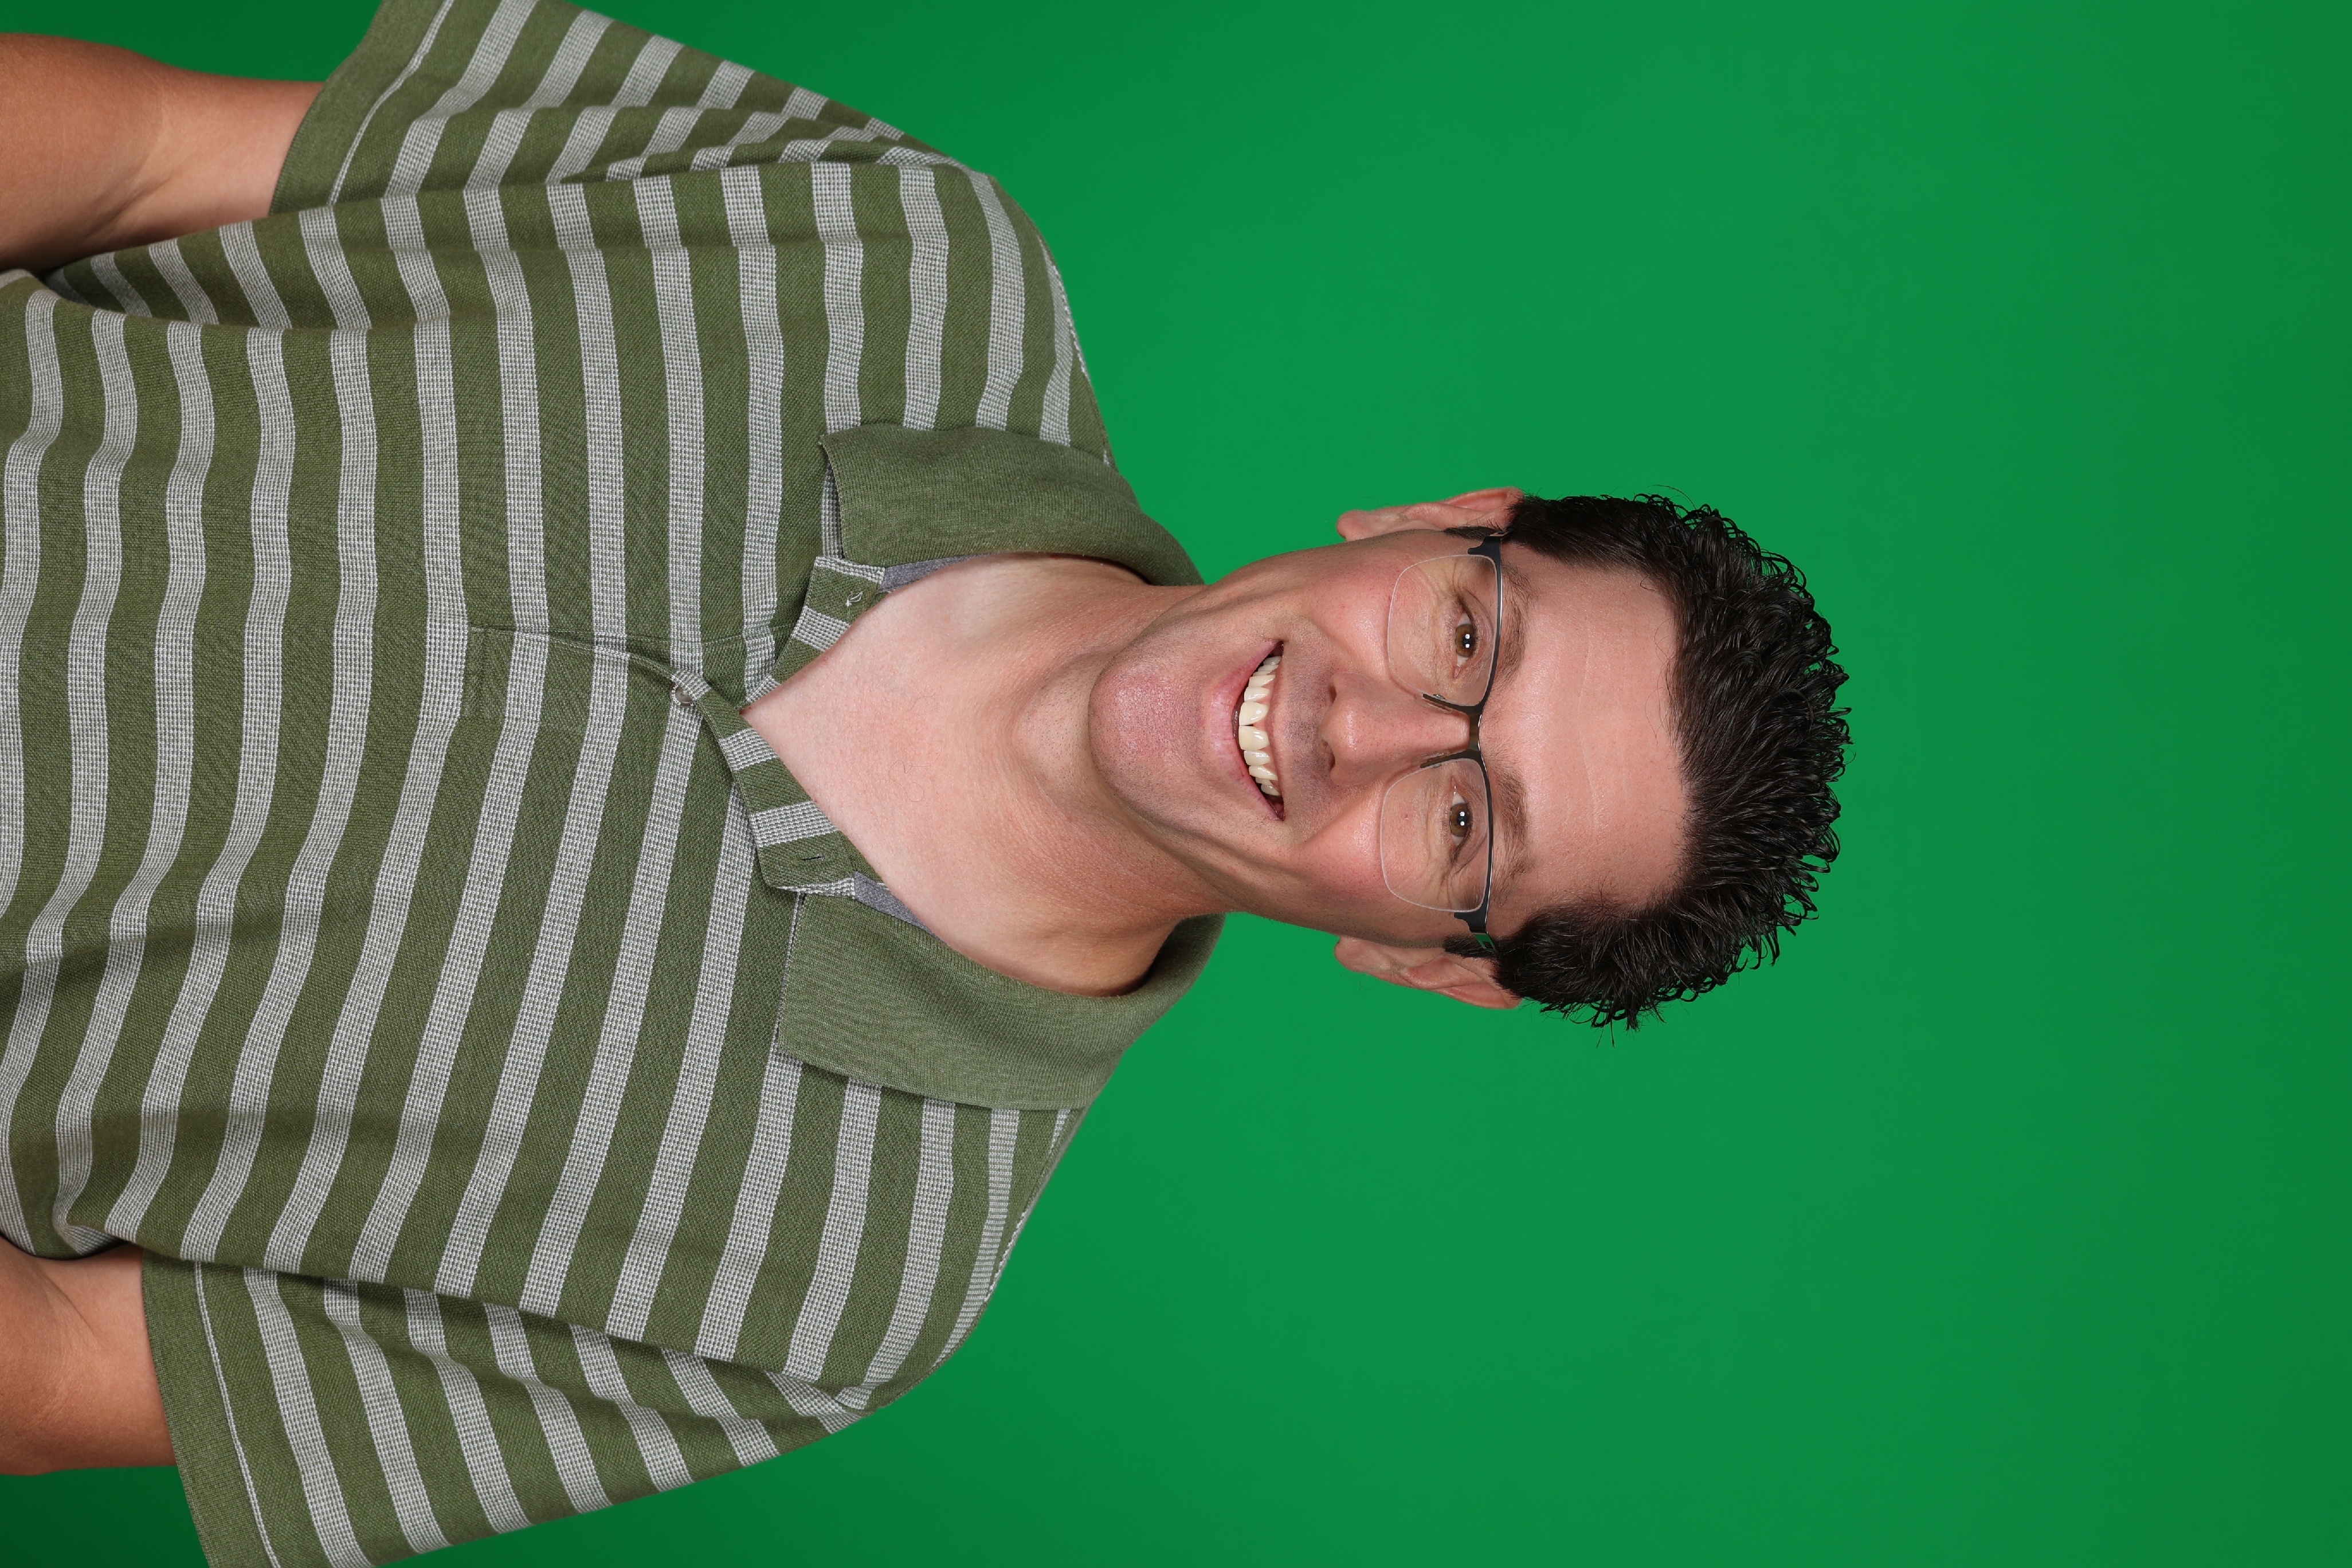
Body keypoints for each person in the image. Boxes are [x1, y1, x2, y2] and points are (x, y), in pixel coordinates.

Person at [0, 2, 1850, 1563]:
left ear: (1430, 959)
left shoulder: (833, 1297)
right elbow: (146, 157)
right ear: (1442, 520)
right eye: (1468, 639)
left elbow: (66, 1371)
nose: (1360, 726)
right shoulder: (910, 244)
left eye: (1463, 824)